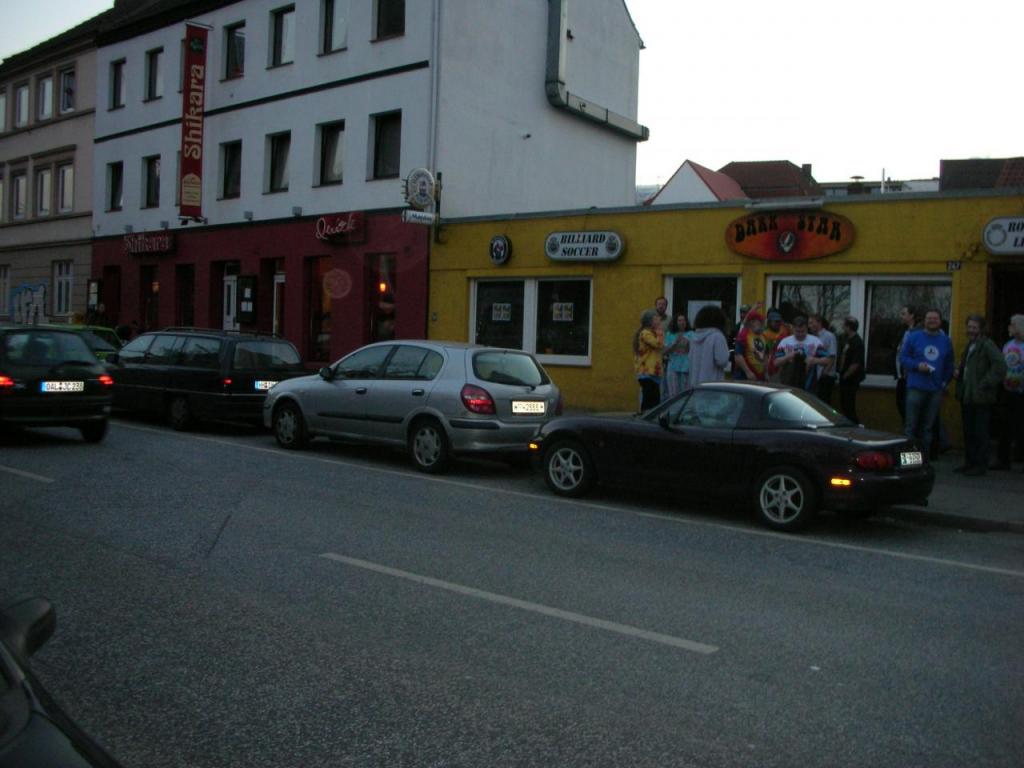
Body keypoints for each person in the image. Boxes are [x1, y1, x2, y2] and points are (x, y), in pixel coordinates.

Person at [952, 315, 1007, 476]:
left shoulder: (987, 345)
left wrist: (985, 383)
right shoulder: (970, 345)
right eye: (969, 327)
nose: (971, 330)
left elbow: (1000, 366)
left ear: (981, 329)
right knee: (969, 432)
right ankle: (969, 462)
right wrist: (959, 372)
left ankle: (980, 465)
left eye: (974, 327)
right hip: (967, 395)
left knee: (980, 432)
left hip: (981, 397)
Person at [900, 308, 955, 455]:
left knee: (927, 427)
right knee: (911, 426)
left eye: (935, 318)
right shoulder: (914, 337)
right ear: (924, 321)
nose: (932, 321)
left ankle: (924, 459)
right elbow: (903, 358)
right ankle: (909, 459)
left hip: (935, 390)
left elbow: (950, 364)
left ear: (940, 321)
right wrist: (917, 366)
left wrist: (944, 382)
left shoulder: (946, 341)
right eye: (929, 318)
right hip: (915, 387)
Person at [993, 313, 1024, 472]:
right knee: (1005, 425)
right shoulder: (1008, 345)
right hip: (1008, 390)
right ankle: (1003, 459)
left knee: (1021, 426)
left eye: (1012, 324)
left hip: (1021, 391)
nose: (1009, 328)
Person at [771, 316, 829, 391]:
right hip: (788, 383)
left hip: (809, 384)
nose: (800, 334)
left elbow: (827, 360)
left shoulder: (816, 341)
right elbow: (775, 362)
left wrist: (814, 360)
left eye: (803, 331)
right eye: (797, 331)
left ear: (807, 328)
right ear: (793, 329)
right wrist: (788, 357)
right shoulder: (785, 342)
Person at [688, 305, 730, 386]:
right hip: (713, 385)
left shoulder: (694, 336)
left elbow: (690, 358)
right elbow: (722, 361)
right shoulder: (717, 336)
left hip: (695, 384)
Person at [633, 309, 663, 412]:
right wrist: (660, 332)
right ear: (650, 321)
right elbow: (658, 344)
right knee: (649, 399)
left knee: (655, 400)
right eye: (656, 318)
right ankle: (645, 417)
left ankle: (649, 416)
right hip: (646, 372)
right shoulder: (645, 333)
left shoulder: (652, 333)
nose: (659, 320)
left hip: (653, 372)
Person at [837, 316, 865, 422]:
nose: (842, 327)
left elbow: (856, 363)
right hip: (844, 377)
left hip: (851, 379)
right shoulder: (846, 339)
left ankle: (854, 425)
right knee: (844, 405)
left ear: (849, 327)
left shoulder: (857, 342)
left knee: (849, 406)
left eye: (844, 325)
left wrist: (845, 375)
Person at [895, 305, 919, 420]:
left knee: (908, 406)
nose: (901, 316)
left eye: (904, 314)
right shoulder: (903, 331)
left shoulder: (917, 332)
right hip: (901, 376)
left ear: (912, 315)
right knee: (900, 403)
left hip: (910, 376)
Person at [808, 314, 838, 404]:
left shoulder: (829, 336)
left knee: (824, 402)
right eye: (809, 323)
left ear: (819, 322)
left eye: (811, 323)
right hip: (816, 375)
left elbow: (832, 356)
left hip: (826, 376)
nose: (809, 326)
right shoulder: (813, 337)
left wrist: (825, 373)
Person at [663, 313, 694, 397]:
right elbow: (664, 352)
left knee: (686, 394)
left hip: (687, 367)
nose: (682, 322)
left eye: (684, 320)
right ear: (675, 322)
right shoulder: (670, 334)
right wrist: (675, 344)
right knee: (674, 394)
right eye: (679, 320)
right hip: (673, 366)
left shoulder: (691, 334)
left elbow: (694, 351)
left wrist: (688, 345)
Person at [733, 310, 769, 381]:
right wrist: (748, 372)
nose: (762, 324)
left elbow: (766, 355)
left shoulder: (763, 336)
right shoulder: (744, 335)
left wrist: (765, 372)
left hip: (760, 378)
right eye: (760, 321)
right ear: (751, 322)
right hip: (744, 377)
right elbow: (737, 355)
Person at [763, 308, 790, 382]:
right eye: (775, 321)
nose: (778, 323)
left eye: (779, 321)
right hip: (771, 366)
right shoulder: (764, 334)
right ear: (769, 321)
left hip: (783, 366)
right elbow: (765, 354)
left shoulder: (785, 331)